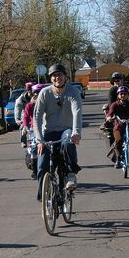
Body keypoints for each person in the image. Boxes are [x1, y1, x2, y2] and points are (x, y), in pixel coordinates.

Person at [34, 64, 82, 201]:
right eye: (54, 75)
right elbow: (36, 117)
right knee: (42, 165)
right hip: (48, 132)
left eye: (60, 75)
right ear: (51, 78)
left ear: (65, 77)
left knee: (68, 141)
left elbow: (77, 112)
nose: (57, 78)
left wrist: (76, 132)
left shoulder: (73, 92)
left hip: (66, 130)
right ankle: (43, 196)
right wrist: (39, 140)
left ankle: (71, 173)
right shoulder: (45, 93)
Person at [106, 86, 129, 168]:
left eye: (125, 94)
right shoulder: (114, 104)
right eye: (121, 94)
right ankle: (118, 159)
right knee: (118, 141)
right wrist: (109, 117)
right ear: (118, 95)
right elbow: (110, 113)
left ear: (128, 95)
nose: (123, 95)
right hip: (118, 126)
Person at [22, 83, 46, 179]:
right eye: (35, 93)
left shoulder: (47, 103)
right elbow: (26, 117)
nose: (37, 95)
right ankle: (35, 171)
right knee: (33, 149)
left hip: (46, 128)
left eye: (39, 93)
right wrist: (25, 127)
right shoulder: (30, 105)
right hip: (33, 129)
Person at [15, 82, 34, 147]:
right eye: (29, 89)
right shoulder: (21, 99)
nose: (31, 91)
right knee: (23, 126)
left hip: (36, 114)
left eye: (32, 89)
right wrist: (17, 119)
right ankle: (23, 141)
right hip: (26, 115)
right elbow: (17, 108)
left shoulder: (38, 96)